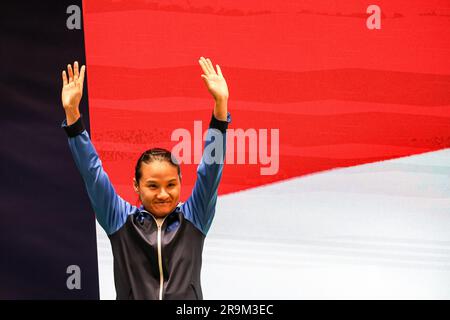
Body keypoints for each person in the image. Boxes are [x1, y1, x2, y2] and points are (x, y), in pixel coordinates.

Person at [60, 57, 230, 300]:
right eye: (153, 186)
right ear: (136, 186)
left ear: (181, 182)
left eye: (171, 184)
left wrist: (220, 108)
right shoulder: (118, 218)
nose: (163, 193)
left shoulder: (196, 216)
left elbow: (211, 169)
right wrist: (73, 116)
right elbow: (92, 172)